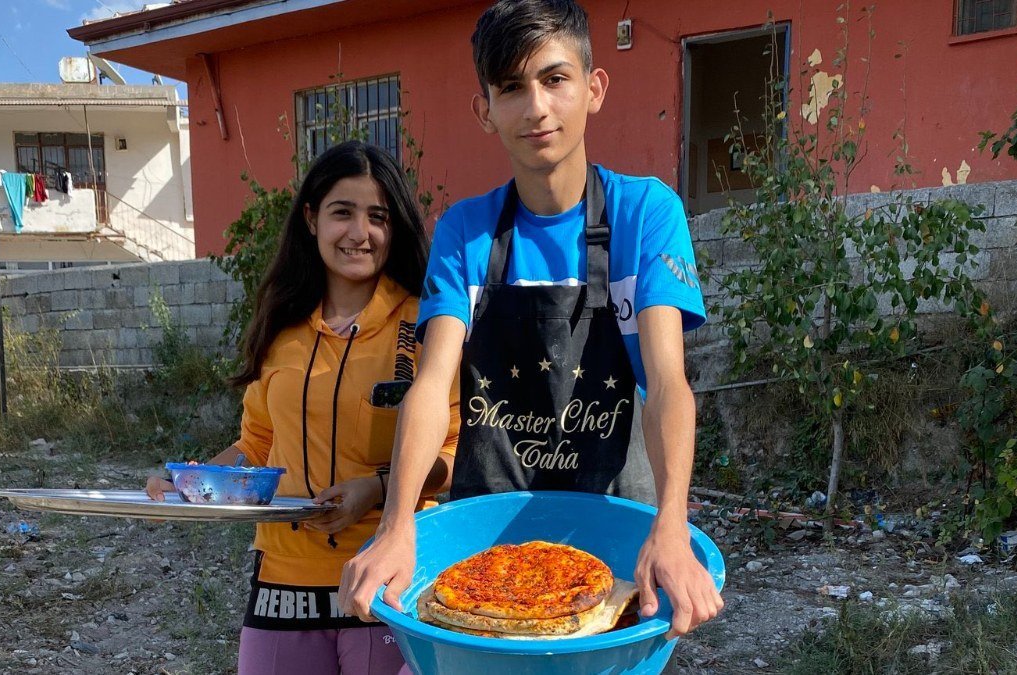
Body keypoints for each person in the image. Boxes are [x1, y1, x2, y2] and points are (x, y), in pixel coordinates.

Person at [339, 0, 723, 640]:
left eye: (555, 79)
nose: (536, 107)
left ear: (594, 89)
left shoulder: (646, 213)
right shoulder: (465, 231)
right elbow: (431, 385)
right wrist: (397, 522)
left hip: (612, 529)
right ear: (483, 110)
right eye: (511, 88)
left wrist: (672, 524)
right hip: (486, 545)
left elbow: (667, 383)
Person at [146, 140, 459, 674]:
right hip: (282, 586)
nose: (360, 233)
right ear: (312, 219)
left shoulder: (429, 323)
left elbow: (453, 452)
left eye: (377, 217)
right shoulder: (282, 327)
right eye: (343, 212)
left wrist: (378, 488)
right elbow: (256, 445)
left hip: (384, 581)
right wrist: (189, 481)